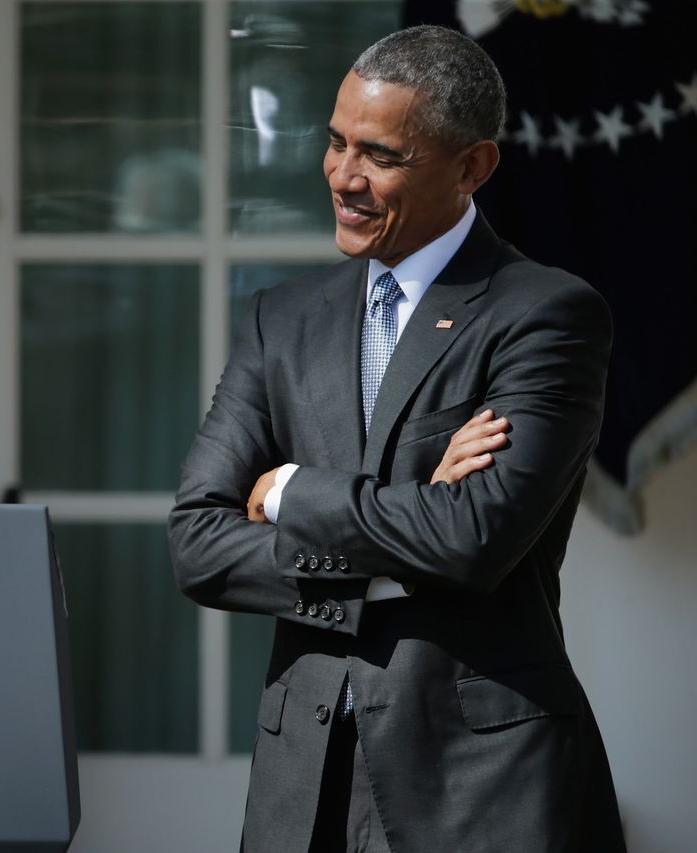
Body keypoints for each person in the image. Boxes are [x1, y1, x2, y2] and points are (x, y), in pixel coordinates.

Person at [168, 25, 624, 852]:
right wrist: (398, 545)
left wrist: (288, 492)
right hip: (299, 789)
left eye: (380, 156)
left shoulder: (546, 314)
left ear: (473, 167)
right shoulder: (282, 319)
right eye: (336, 142)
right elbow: (198, 542)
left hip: (482, 788)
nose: (344, 176)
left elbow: (472, 538)